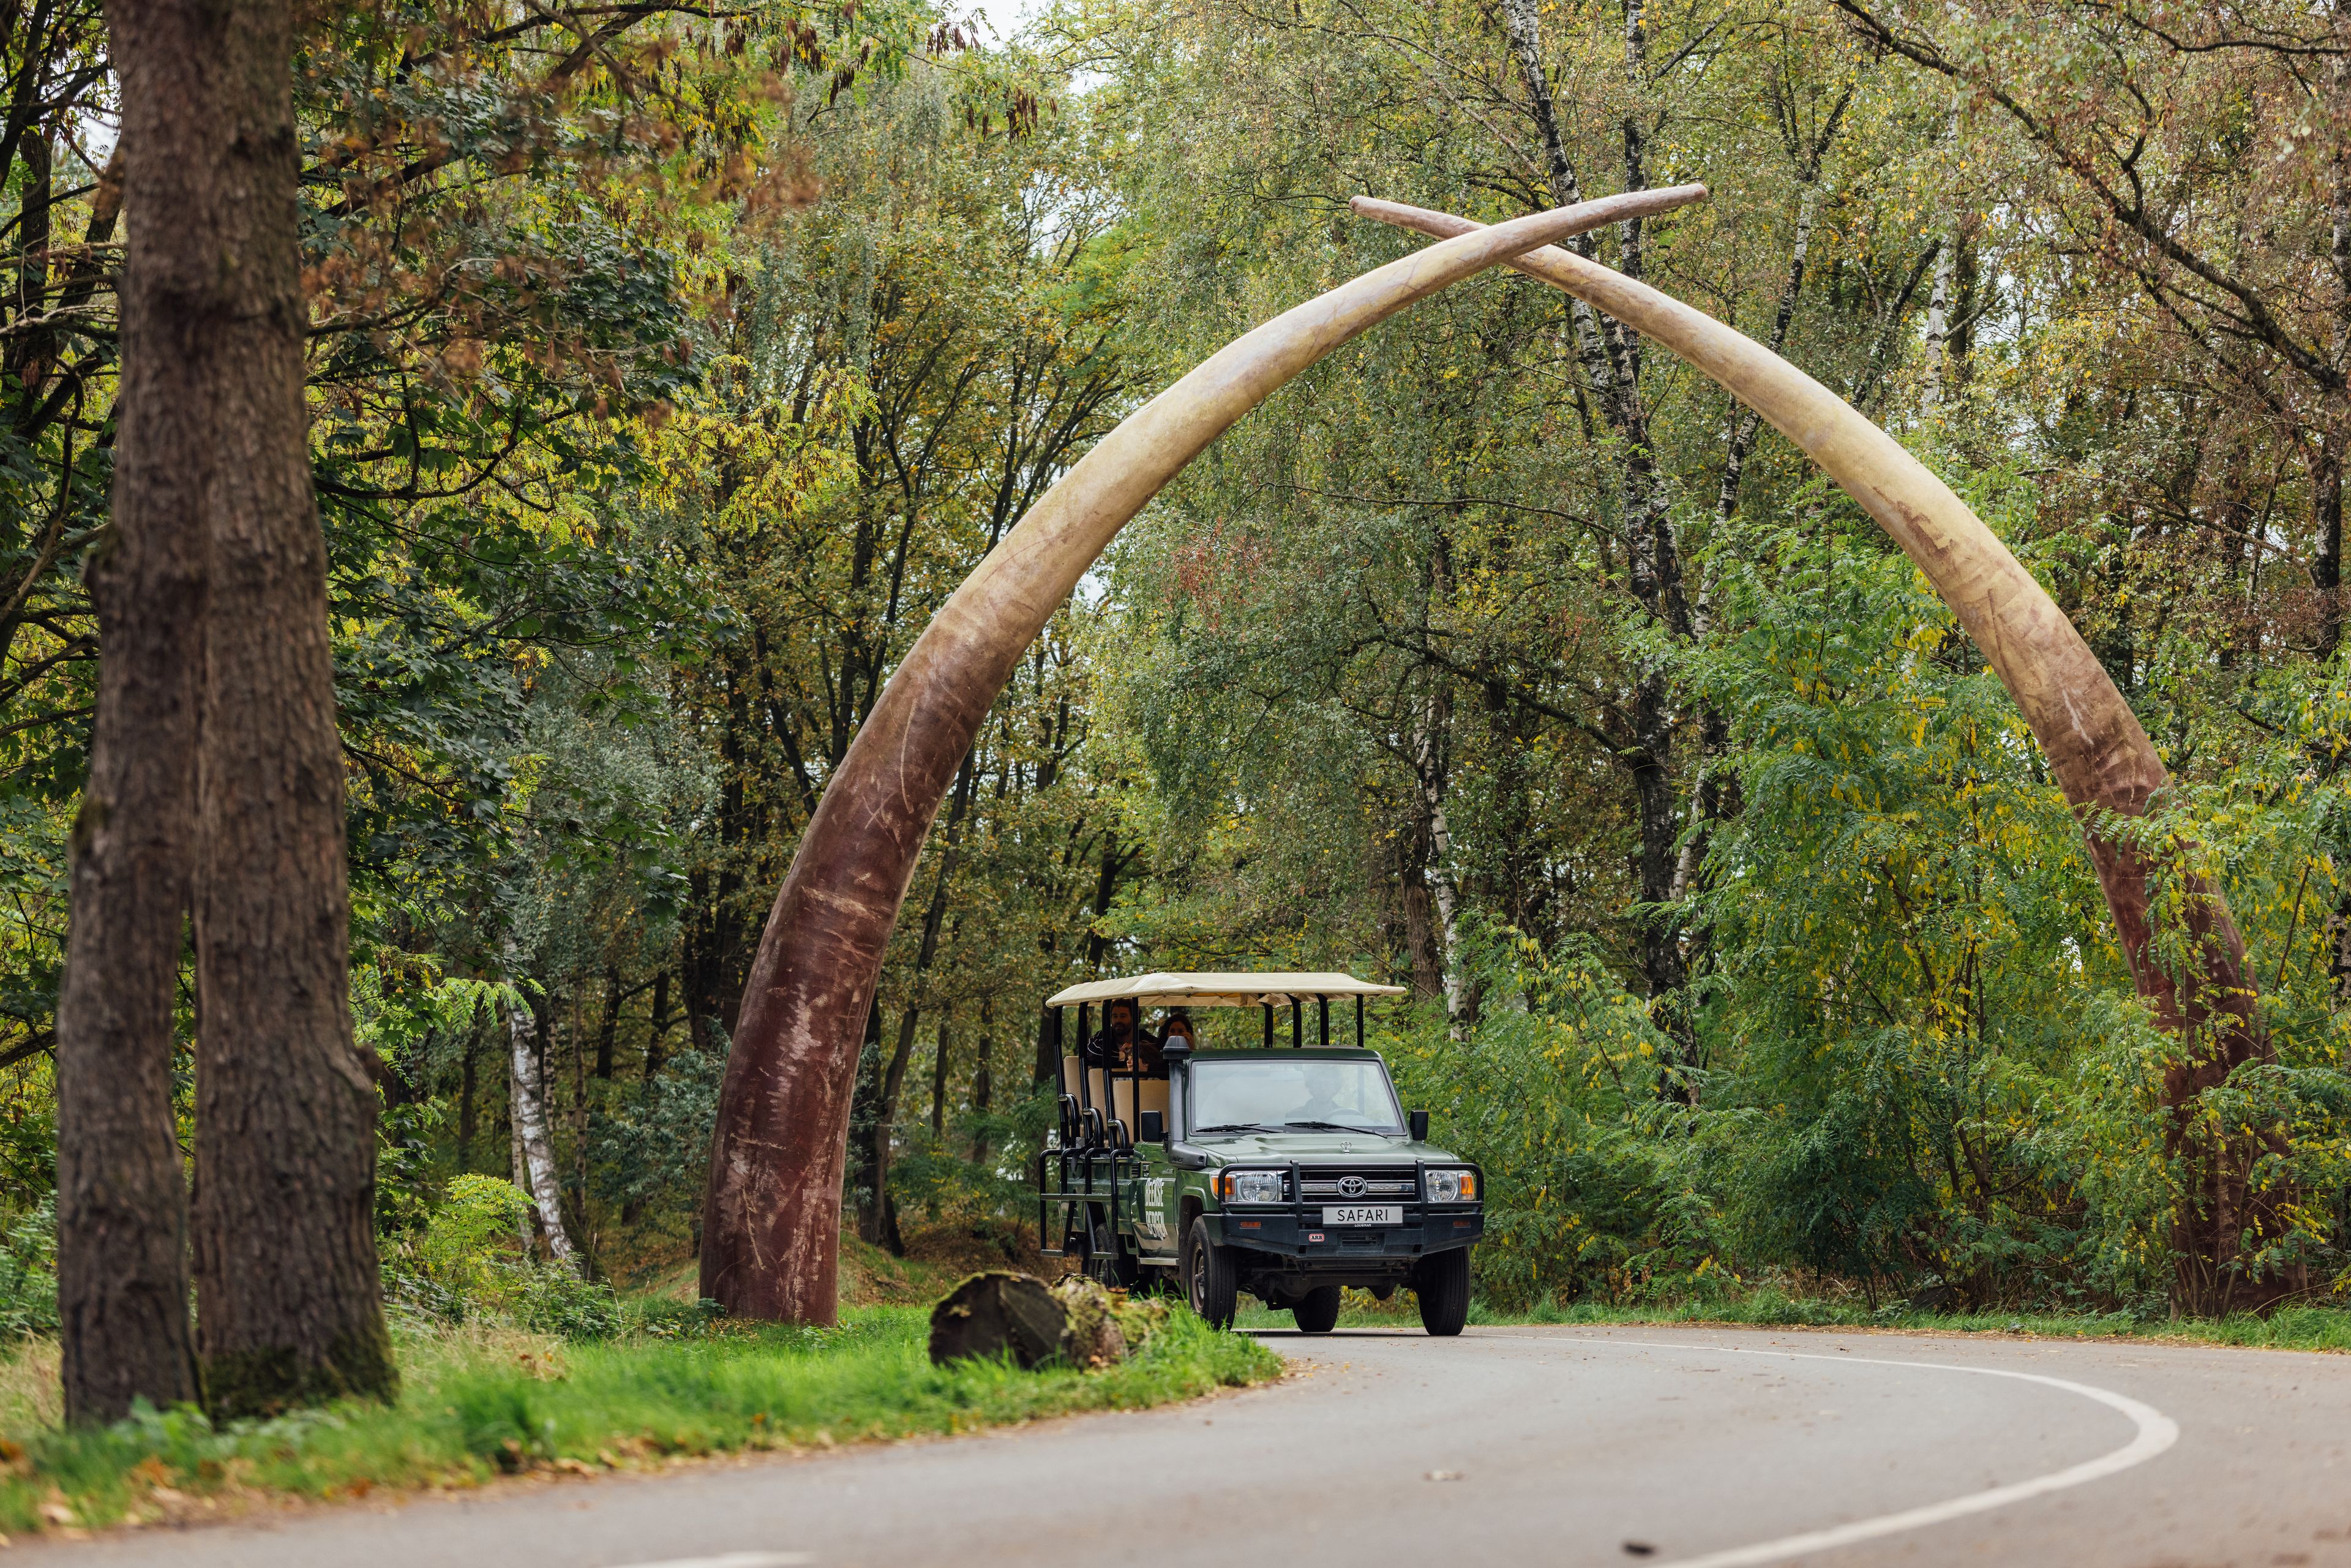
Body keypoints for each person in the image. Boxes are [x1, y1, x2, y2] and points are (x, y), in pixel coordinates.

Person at [1081, 997, 1165, 1079]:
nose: (1118, 1020)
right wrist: (1126, 1056)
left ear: (1134, 1019)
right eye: (1115, 1016)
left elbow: (1160, 1054)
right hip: (1104, 1089)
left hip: (1143, 1089)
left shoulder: (1145, 1038)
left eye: (1123, 1016)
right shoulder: (1104, 1035)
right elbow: (1093, 1052)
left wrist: (1137, 1048)